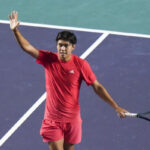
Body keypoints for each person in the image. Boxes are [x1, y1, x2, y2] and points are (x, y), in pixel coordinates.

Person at [9, 11, 128, 150]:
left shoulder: (81, 65)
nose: (62, 48)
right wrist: (15, 30)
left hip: (72, 120)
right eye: (60, 45)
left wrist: (116, 106)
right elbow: (27, 47)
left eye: (66, 45)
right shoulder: (48, 59)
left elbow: (97, 87)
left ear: (73, 47)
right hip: (52, 120)